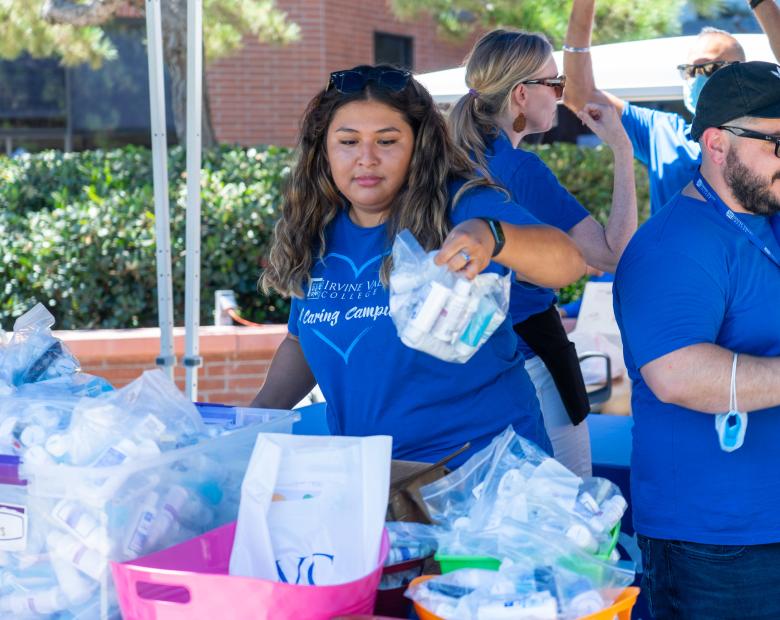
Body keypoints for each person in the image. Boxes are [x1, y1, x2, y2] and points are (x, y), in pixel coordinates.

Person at [250, 65, 586, 466]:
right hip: (381, 482)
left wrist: (492, 235)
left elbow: (568, 262)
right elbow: (301, 339)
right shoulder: (318, 225)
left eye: (387, 141)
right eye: (348, 141)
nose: (366, 158)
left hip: (485, 479)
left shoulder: (459, 204)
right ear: (323, 148)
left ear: (419, 145)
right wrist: (253, 420)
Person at [613, 61, 780, 619]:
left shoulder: (765, 213)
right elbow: (678, 375)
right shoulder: (671, 247)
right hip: (717, 544)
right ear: (715, 142)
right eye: (777, 142)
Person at [448, 29, 637, 477]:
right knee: (571, 513)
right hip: (531, 354)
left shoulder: (449, 160)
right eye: (554, 85)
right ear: (520, 95)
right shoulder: (521, 168)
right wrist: (622, 149)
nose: (560, 95)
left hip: (465, 360)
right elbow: (614, 253)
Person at [564, 0, 780, 216]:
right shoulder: (661, 133)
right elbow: (580, 96)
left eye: (712, 68)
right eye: (691, 71)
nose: (699, 77)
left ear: (740, 75)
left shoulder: (769, 134)